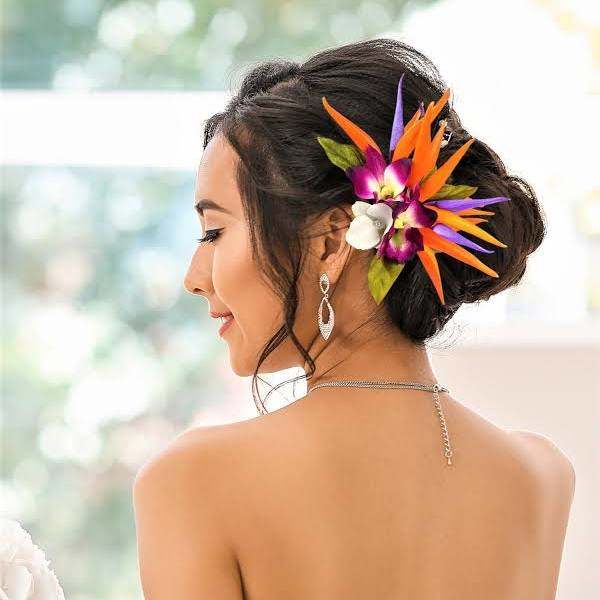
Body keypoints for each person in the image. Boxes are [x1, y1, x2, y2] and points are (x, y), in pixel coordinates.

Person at [132, 38, 576, 599]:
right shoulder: (539, 476)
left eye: (214, 232)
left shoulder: (194, 481)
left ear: (332, 241)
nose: (194, 278)